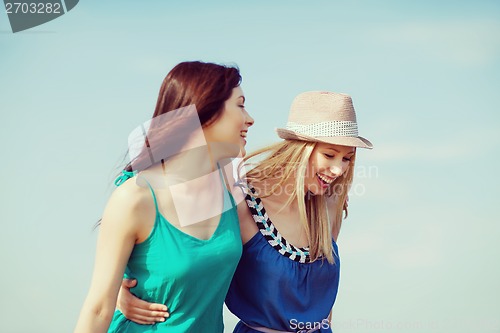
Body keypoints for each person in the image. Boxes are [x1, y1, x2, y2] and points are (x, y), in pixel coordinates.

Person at [117, 91, 373, 333]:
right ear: (299, 149)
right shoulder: (242, 193)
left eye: (347, 158)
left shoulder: (330, 203)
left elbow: (321, 300)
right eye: (329, 155)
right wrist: (119, 286)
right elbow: (168, 217)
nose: (338, 169)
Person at [74, 61, 255, 333]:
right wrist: (122, 288)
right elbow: (98, 308)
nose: (250, 118)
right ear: (205, 112)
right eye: (240, 105)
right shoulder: (135, 198)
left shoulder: (232, 185)